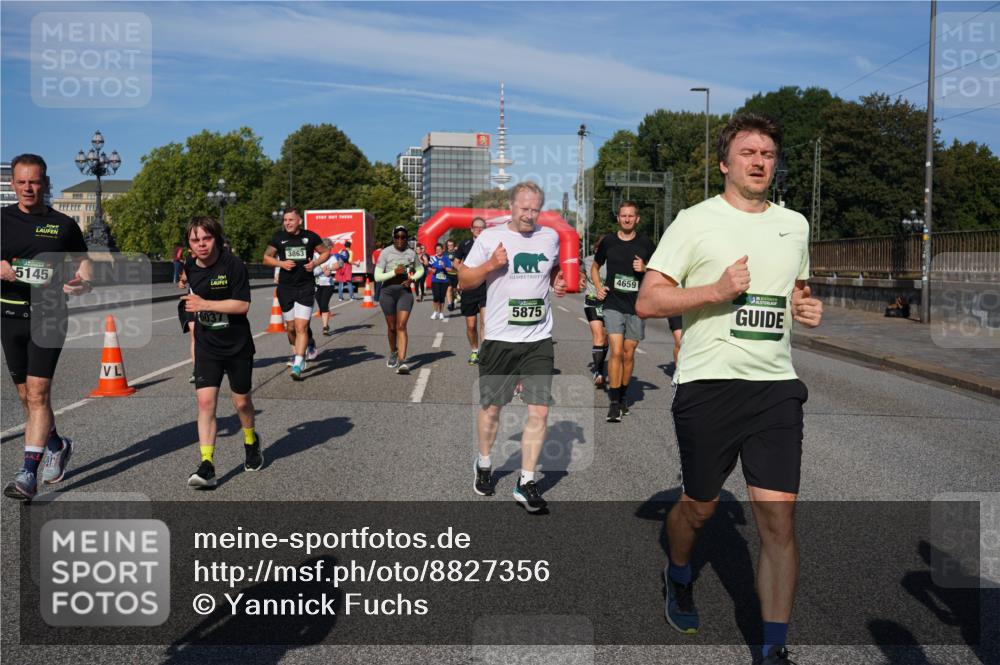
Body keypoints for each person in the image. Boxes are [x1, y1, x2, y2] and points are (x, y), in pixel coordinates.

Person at [635, 113, 823, 665]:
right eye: (748, 153)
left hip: (775, 387)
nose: (760, 160)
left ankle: (772, 647)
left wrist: (805, 307)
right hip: (709, 384)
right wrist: (714, 291)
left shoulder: (795, 224)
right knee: (699, 506)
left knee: (778, 518)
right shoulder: (695, 222)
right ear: (724, 163)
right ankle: (678, 572)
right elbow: (648, 300)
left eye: (767, 153)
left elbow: (796, 290)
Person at [458, 181, 567, 513]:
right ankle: (485, 461)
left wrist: (557, 281)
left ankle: (527, 480)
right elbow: (464, 280)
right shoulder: (490, 238)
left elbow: (553, 271)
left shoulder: (549, 237)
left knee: (540, 411)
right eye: (524, 208)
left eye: (535, 209)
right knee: (493, 409)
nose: (529, 215)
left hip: (537, 339)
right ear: (511, 205)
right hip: (501, 339)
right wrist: (491, 265)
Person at [1, 154, 92, 500]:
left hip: (49, 314)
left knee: (38, 393)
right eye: (22, 182)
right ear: (13, 184)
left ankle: (27, 474)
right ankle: (57, 443)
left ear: (45, 183)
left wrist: (83, 282)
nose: (28, 188)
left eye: (35, 182)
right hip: (9, 314)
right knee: (26, 397)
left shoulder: (64, 224)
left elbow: (84, 264)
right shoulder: (2, 220)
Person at [181, 217, 262, 489]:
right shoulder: (190, 266)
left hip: (237, 345)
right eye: (195, 240)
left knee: (242, 404)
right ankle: (207, 465)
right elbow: (190, 299)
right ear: (189, 244)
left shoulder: (233, 265)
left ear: (216, 238)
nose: (201, 245)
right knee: (205, 404)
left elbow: (242, 306)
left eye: (206, 238)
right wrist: (190, 319)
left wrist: (205, 302)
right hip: (207, 346)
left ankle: (251, 441)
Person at [592, 200, 656, 422]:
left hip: (637, 306)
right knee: (617, 351)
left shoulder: (647, 244)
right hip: (613, 304)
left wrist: (645, 268)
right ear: (618, 218)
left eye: (631, 215)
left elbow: (659, 272)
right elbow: (595, 266)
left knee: (628, 354)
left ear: (637, 219)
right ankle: (613, 402)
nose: (627, 219)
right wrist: (599, 288)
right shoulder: (609, 242)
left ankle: (623, 395)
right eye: (623, 215)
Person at [263, 209, 329, 381]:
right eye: (285, 220)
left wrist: (314, 263)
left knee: (301, 327)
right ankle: (301, 348)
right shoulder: (278, 238)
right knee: (290, 328)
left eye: (291, 219)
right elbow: (266, 258)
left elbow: (326, 252)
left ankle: (299, 362)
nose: (287, 223)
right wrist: (281, 263)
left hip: (305, 286)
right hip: (285, 287)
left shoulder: (310, 236)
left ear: (299, 221)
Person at [375, 225, 424, 375]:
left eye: (403, 237)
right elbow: (377, 277)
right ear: (393, 237)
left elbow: (420, 269)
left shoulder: (411, 253)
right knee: (392, 327)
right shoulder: (386, 253)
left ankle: (402, 362)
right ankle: (393, 352)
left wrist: (412, 279)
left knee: (401, 325)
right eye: (397, 237)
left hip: (404, 292)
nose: (400, 240)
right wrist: (393, 272)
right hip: (388, 292)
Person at [454, 217, 488, 365]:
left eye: (482, 227)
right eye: (476, 227)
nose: (479, 229)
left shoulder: (490, 244)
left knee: (485, 323)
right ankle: (475, 351)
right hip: (469, 288)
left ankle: (486, 354)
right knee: (471, 325)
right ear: (471, 229)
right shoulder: (465, 244)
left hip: (486, 288)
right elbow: (456, 262)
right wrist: (465, 273)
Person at [581, 239, 608, 387]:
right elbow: (582, 273)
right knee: (598, 335)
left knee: (606, 338)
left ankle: (600, 364)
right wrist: (581, 279)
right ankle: (598, 372)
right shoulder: (588, 260)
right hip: (592, 301)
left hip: (610, 304)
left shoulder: (614, 261)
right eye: (599, 248)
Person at [313, 238, 340, 336]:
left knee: (324, 304)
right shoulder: (315, 256)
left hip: (328, 284)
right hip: (317, 284)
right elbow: (311, 269)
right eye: (329, 248)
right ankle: (325, 321)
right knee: (321, 306)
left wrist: (329, 268)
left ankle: (325, 327)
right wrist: (320, 269)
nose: (330, 250)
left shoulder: (331, 256)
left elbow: (337, 265)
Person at [427, 243, 452, 320]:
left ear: (442, 250)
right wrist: (432, 270)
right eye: (437, 249)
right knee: (436, 297)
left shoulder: (446, 258)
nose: (438, 251)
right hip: (435, 280)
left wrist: (444, 267)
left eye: (439, 249)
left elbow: (450, 269)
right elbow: (428, 266)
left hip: (444, 281)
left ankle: (441, 313)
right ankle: (435, 312)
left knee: (442, 298)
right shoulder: (433, 258)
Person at [445, 239, 460, 311]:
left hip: (456, 274)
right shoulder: (445, 253)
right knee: (449, 288)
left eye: (451, 245)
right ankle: (450, 304)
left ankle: (455, 298)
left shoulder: (457, 253)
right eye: (448, 245)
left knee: (455, 289)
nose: (450, 246)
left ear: (454, 246)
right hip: (448, 274)